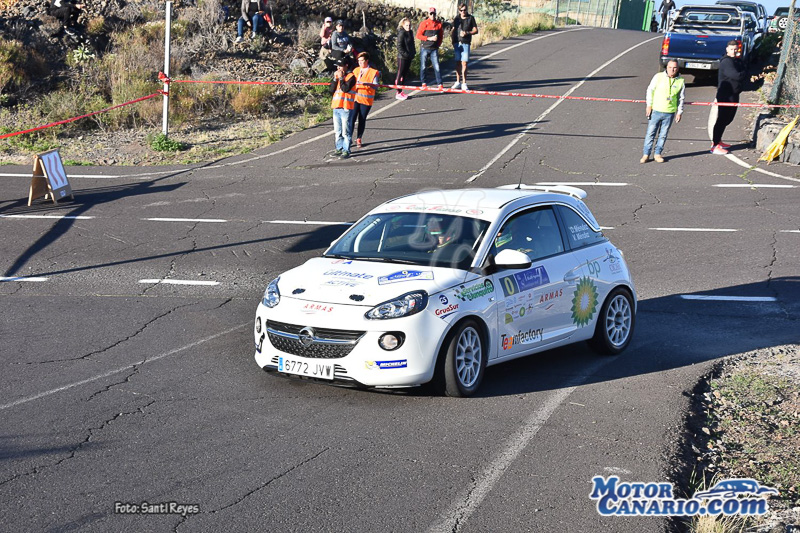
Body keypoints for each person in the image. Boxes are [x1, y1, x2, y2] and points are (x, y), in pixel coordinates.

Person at [641, 59, 684, 163]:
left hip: (669, 113)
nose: (672, 70)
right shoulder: (658, 77)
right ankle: (646, 154)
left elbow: (681, 98)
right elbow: (650, 90)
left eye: (674, 68)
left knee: (663, 134)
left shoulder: (680, 81)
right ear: (666, 67)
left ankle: (657, 154)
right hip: (656, 110)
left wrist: (679, 112)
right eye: (670, 67)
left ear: (677, 69)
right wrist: (649, 105)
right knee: (650, 133)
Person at [711, 41, 746, 155]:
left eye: (736, 49)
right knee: (722, 119)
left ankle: (719, 140)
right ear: (727, 49)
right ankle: (715, 145)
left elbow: (745, 70)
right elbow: (736, 75)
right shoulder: (726, 62)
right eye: (731, 49)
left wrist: (743, 73)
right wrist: (743, 74)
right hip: (726, 95)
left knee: (729, 119)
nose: (734, 51)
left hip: (734, 94)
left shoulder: (737, 61)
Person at [349, 51, 380, 149]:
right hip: (355, 98)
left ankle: (359, 138)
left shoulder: (373, 72)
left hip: (366, 100)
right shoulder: (356, 70)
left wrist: (368, 84)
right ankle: (349, 137)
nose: (360, 63)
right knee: (351, 118)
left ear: (367, 61)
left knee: (362, 119)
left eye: (362, 61)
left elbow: (376, 86)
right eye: (358, 61)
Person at [329, 58, 356, 159]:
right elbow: (331, 90)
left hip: (346, 107)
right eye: (337, 66)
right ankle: (339, 148)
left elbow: (345, 89)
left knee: (345, 131)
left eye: (340, 66)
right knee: (337, 130)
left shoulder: (351, 77)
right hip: (336, 106)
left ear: (346, 66)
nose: (338, 68)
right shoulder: (337, 76)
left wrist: (341, 78)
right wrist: (335, 79)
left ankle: (346, 150)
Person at [450, 3, 478, 91]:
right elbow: (453, 29)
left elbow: (475, 30)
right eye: (461, 10)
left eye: (465, 10)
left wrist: (467, 33)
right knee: (458, 62)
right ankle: (458, 82)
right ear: (459, 10)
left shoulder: (471, 18)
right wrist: (452, 40)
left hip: (465, 42)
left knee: (464, 63)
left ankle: (464, 82)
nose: (463, 12)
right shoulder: (457, 18)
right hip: (457, 43)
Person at [416, 7, 443, 89]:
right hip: (425, 47)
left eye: (434, 14)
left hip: (434, 49)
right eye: (431, 14)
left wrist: (438, 44)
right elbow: (418, 35)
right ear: (428, 14)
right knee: (423, 66)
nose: (432, 15)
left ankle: (440, 84)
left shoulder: (439, 24)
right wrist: (428, 38)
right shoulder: (424, 23)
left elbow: (441, 36)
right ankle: (423, 82)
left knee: (437, 66)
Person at [395, 18, 415, 100]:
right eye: (407, 25)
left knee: (404, 75)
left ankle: (401, 91)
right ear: (403, 25)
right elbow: (399, 46)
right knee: (400, 74)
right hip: (402, 57)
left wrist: (413, 52)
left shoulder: (410, 32)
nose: (408, 27)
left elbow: (412, 43)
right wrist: (405, 54)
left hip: (409, 56)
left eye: (409, 25)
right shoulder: (401, 33)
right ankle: (398, 92)